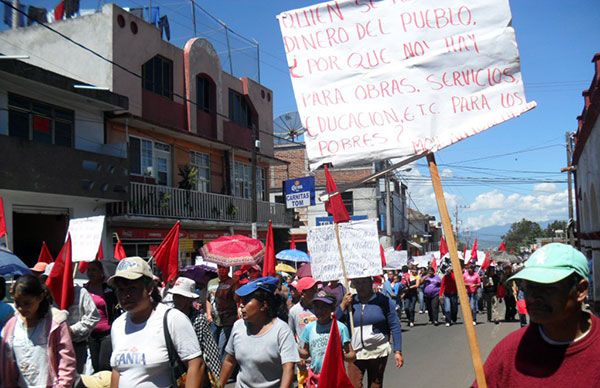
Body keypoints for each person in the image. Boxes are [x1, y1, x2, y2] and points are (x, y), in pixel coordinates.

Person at [474, 243, 600, 387]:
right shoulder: (509, 352)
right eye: (529, 287)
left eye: (547, 288)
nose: (533, 297)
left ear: (581, 290)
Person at [108, 257, 203, 387]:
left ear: (149, 288)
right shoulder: (117, 325)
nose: (126, 295)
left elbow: (196, 365)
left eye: (132, 288)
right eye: (121, 289)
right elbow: (117, 371)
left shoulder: (172, 319)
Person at [220, 276, 300, 388]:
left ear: (264, 305)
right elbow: (229, 361)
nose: (241, 305)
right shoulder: (238, 326)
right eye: (241, 301)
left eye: (247, 301)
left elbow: (288, 368)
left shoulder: (282, 330)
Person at [0, 274, 76, 387]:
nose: (21, 308)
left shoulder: (55, 324)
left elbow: (67, 362)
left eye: (27, 303)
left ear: (39, 298)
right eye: (17, 303)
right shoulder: (10, 326)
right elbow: (6, 365)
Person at [338, 277, 403, 388]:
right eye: (357, 283)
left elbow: (395, 326)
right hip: (355, 353)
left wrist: (398, 351)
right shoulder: (350, 302)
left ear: (371, 283)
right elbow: (335, 322)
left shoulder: (383, 301)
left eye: (364, 282)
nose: (361, 286)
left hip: (378, 351)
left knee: (375, 385)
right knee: (353, 384)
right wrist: (343, 305)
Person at [170, 277, 221, 387]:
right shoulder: (169, 318)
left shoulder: (199, 320)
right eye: (175, 296)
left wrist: (217, 380)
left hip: (192, 369)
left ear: (189, 299)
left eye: (180, 297)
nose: (175, 299)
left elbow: (210, 350)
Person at [299, 291, 355, 386]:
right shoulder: (309, 328)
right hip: (316, 378)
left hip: (334, 378)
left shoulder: (340, 328)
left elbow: (352, 356)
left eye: (324, 307)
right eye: (317, 307)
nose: (320, 310)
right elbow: (306, 353)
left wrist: (339, 354)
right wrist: (295, 350)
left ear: (332, 308)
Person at [84, 260, 120, 372]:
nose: (90, 273)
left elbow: (118, 305)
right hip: (91, 334)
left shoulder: (109, 289)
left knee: (104, 365)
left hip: (107, 333)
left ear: (101, 272)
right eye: (88, 270)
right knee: (95, 366)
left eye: (94, 270)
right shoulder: (84, 289)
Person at [214, 265, 239, 361]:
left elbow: (236, 300)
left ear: (228, 269)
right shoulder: (219, 283)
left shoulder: (233, 283)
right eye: (219, 267)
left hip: (229, 320)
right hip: (217, 320)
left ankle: (223, 372)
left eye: (224, 268)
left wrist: (237, 285)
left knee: (223, 347)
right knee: (216, 345)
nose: (221, 270)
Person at [288, 276, 318, 342]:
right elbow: (291, 335)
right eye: (312, 290)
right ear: (302, 293)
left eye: (316, 288)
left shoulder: (320, 308)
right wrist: (298, 349)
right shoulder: (294, 311)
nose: (315, 292)